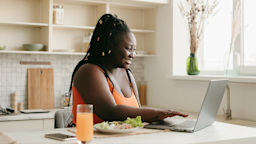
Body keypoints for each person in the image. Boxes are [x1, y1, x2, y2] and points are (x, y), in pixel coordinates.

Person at [69, 14, 188, 125]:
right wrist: (156, 114)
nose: (133, 54)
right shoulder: (89, 71)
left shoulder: (127, 74)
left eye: (134, 50)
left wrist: (162, 120)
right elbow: (110, 112)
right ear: (110, 46)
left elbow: (137, 113)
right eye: (128, 48)